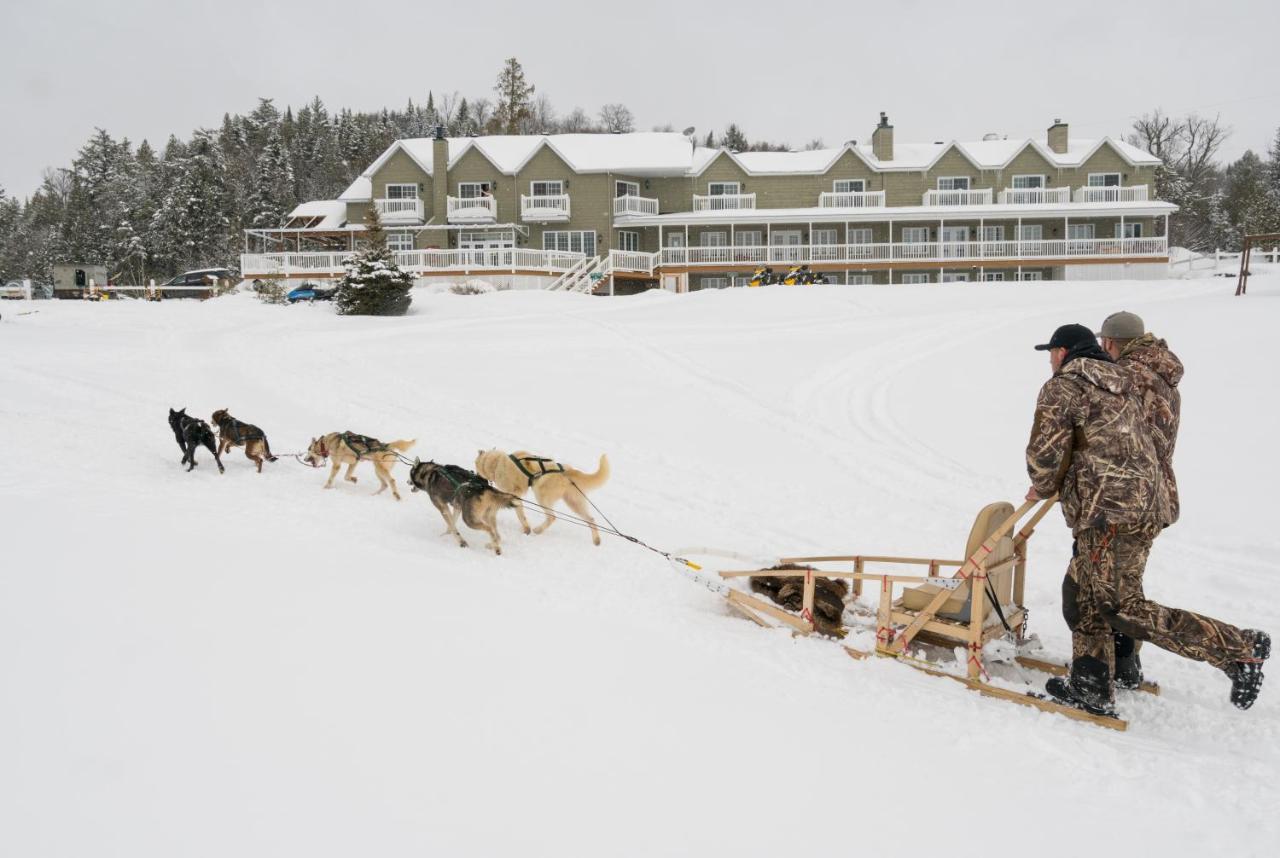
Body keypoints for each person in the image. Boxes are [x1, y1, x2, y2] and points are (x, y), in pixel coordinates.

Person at [1025, 323, 1268, 715]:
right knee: (1083, 591)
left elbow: (1044, 454)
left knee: (1122, 606)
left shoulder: (1063, 387)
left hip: (1111, 513)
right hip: (1138, 503)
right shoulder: (1124, 380)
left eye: (1051, 352)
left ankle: (1239, 648)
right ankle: (1091, 683)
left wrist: (1043, 484)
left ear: (1064, 352)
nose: (1050, 361)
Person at [1097, 311, 1183, 689]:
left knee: (1107, 593)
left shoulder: (1128, 378)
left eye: (1105, 344)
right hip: (1157, 494)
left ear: (1111, 343)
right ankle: (1125, 664)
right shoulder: (1165, 379)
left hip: (1127, 498)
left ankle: (1233, 648)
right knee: (1125, 586)